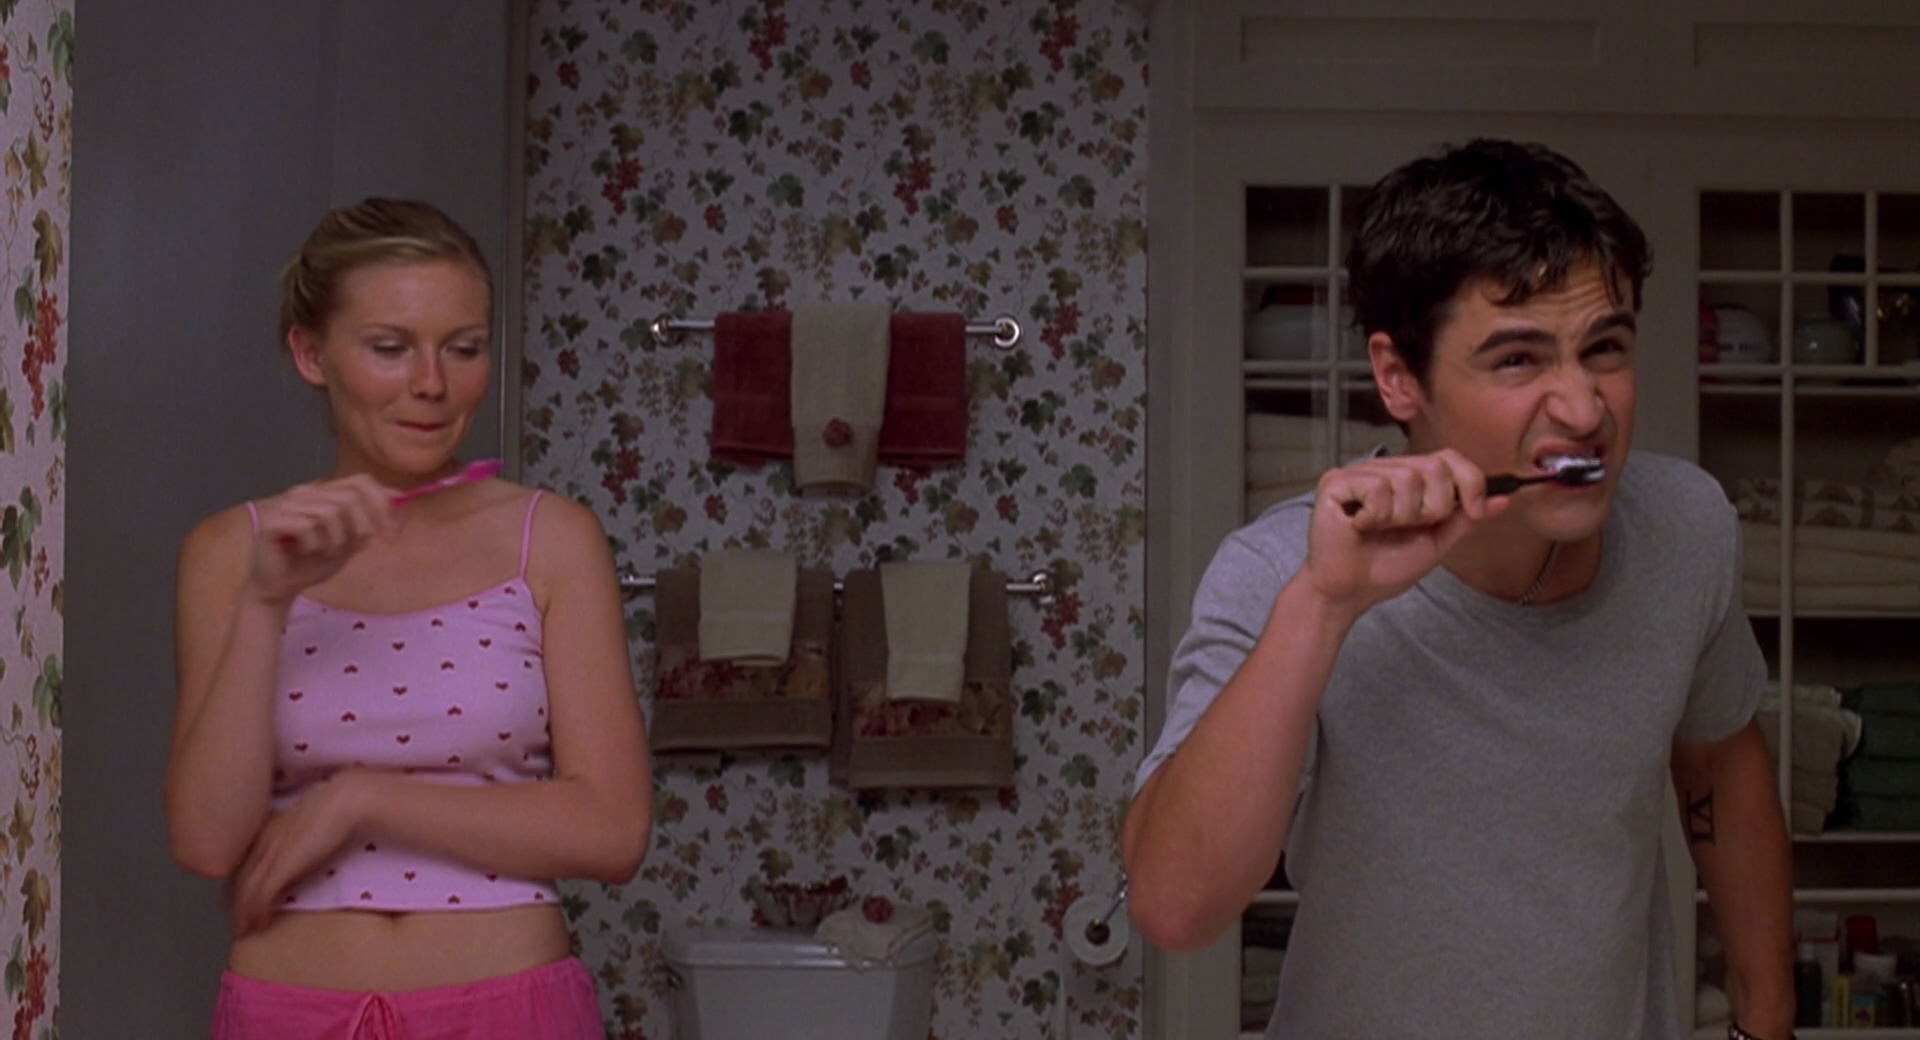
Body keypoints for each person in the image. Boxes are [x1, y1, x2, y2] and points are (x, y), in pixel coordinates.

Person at [1123, 140, 1794, 1039]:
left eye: (1605, 347)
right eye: (1518, 361)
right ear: (1399, 377)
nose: (1584, 407)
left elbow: (1720, 758)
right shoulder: (1280, 573)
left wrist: (1767, 1024)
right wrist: (1324, 607)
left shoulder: (1687, 528)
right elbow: (1174, 906)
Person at [165, 198, 652, 1038]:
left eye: (463, 349)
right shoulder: (227, 552)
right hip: (288, 1010)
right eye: (390, 349)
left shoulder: (554, 540)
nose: (432, 383)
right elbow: (209, 842)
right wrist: (264, 602)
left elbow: (613, 829)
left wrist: (359, 799)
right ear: (310, 353)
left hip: (510, 1007)